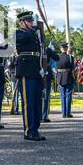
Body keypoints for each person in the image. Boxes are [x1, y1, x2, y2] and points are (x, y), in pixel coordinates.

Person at [15, 11, 59, 141]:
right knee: (28, 102)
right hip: (25, 70)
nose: (31, 23)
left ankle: (36, 128)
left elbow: (44, 49)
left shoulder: (36, 36)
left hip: (37, 71)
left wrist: (55, 53)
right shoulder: (19, 34)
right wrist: (36, 31)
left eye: (31, 21)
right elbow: (22, 39)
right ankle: (29, 131)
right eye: (28, 21)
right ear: (22, 23)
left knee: (37, 102)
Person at [57, 43, 75, 118]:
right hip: (68, 77)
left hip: (60, 77)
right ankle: (68, 113)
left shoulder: (57, 57)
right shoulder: (70, 57)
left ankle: (63, 113)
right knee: (68, 95)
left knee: (62, 95)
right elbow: (72, 67)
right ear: (66, 48)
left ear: (61, 49)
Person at [42, 45, 57, 123]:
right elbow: (57, 58)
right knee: (46, 97)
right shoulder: (47, 50)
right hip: (46, 74)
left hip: (36, 73)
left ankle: (39, 116)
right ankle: (44, 116)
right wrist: (51, 50)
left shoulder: (35, 47)